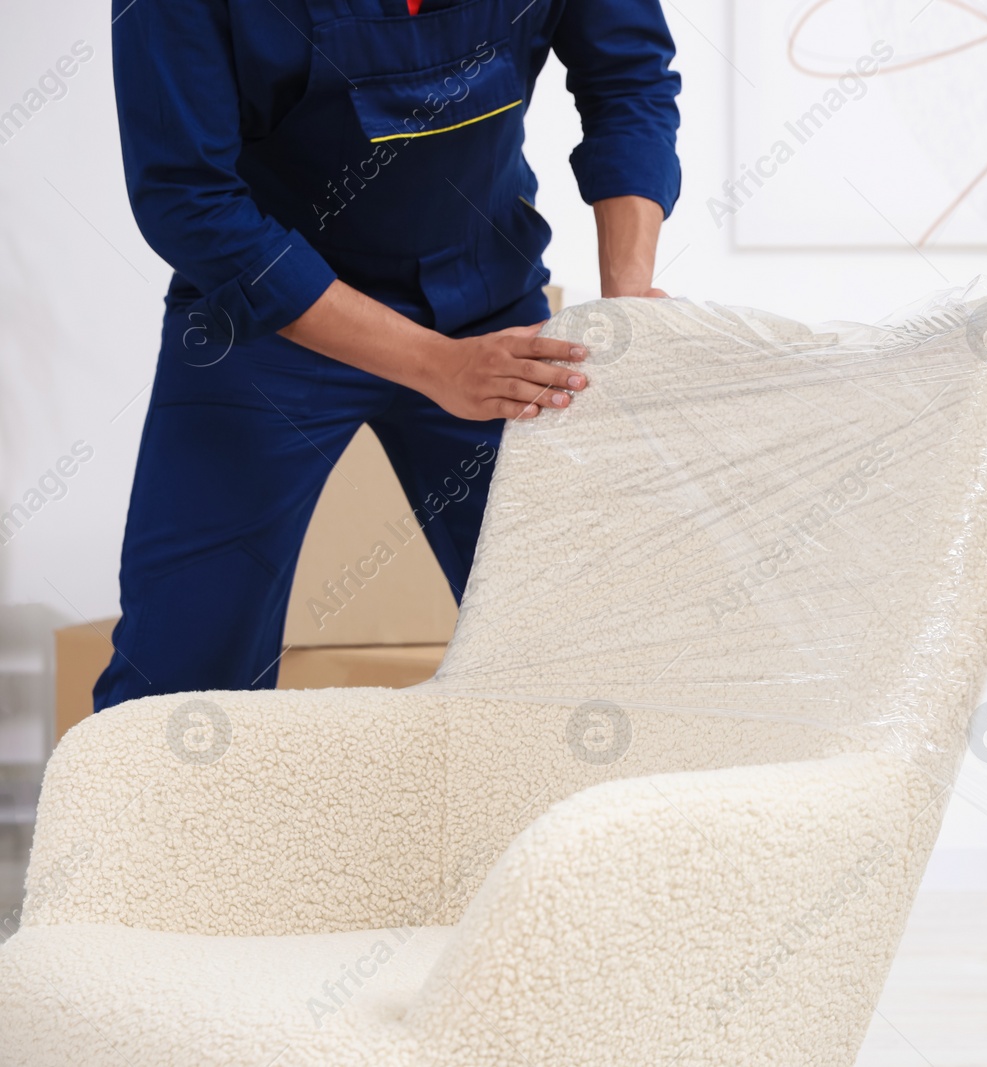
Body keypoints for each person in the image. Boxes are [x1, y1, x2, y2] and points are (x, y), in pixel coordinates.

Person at [95, 0, 680, 711]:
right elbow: (189, 200)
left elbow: (627, 78)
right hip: (268, 317)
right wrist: (438, 366)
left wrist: (626, 303)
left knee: (570, 651)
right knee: (178, 678)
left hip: (489, 305)